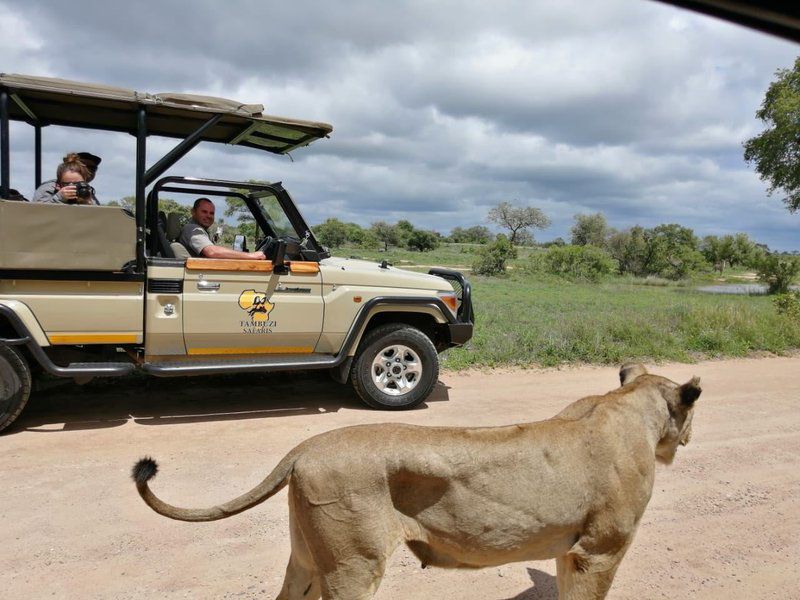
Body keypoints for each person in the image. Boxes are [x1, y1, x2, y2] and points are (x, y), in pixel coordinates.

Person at [179, 197, 266, 260]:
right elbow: (212, 252)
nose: (208, 216)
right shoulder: (193, 229)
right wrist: (252, 256)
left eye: (211, 213)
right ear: (193, 212)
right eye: (204, 212)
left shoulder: (199, 229)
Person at [33, 152, 101, 205]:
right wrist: (59, 198)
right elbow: (36, 213)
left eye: (93, 168)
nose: (88, 170)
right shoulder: (48, 188)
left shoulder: (87, 191)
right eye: (83, 165)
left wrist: (88, 204)